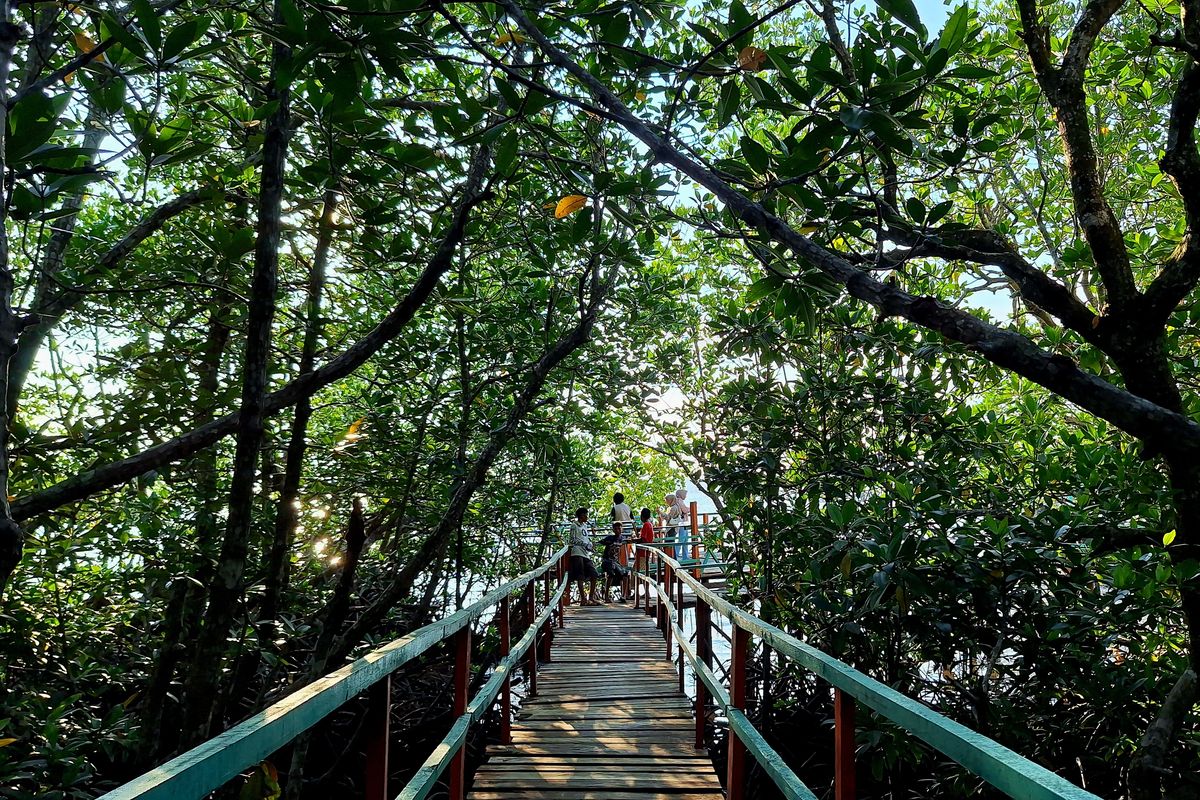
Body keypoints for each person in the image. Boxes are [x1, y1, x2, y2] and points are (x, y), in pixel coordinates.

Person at [568, 507, 602, 605]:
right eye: (586, 515)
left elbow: (585, 539)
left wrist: (589, 545)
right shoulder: (574, 525)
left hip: (585, 553)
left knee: (594, 574)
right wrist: (584, 544)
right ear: (581, 515)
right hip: (577, 553)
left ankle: (591, 597)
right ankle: (583, 599)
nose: (587, 517)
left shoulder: (585, 526)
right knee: (580, 576)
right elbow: (572, 540)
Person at [600, 521, 630, 602]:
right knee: (611, 574)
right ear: (613, 530)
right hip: (606, 560)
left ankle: (623, 596)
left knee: (625, 573)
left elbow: (629, 541)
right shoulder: (610, 538)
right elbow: (601, 542)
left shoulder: (622, 538)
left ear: (621, 529)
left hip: (615, 561)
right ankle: (606, 596)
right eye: (615, 528)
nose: (617, 530)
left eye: (619, 528)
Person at [674, 488, 690, 560]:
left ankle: (685, 557)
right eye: (685, 494)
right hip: (682, 523)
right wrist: (691, 508)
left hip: (683, 523)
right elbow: (685, 510)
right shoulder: (679, 501)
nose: (686, 496)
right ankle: (675, 555)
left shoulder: (677, 501)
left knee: (685, 539)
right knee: (682, 539)